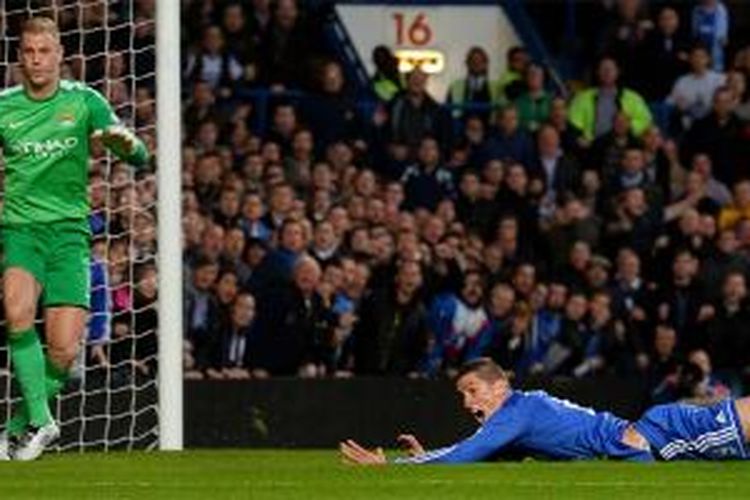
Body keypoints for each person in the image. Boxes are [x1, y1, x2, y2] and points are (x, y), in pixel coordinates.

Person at [0, 17, 149, 461]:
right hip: (21, 231)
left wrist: (124, 146)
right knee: (16, 311)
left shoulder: (85, 101)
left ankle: (17, 428)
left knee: (63, 352)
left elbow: (137, 153)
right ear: (19, 57)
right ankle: (44, 422)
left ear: (60, 55)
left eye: (44, 51)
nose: (36, 59)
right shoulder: (4, 105)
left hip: (69, 236)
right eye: (28, 51)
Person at [340, 358, 750, 464]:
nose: (467, 403)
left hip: (661, 433)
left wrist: (392, 465)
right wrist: (424, 457)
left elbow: (469, 452)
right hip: (652, 438)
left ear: (500, 387)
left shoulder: (520, 409)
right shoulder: (518, 417)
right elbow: (476, 451)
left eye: (472, 391)